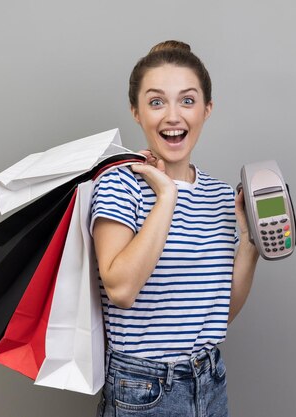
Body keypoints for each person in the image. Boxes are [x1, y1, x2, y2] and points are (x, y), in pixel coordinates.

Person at [90, 40, 260, 417]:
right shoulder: (120, 184)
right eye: (155, 101)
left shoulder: (218, 196)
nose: (172, 116)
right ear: (136, 112)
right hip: (143, 389)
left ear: (207, 109)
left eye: (187, 100)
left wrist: (248, 243)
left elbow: (217, 313)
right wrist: (166, 196)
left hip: (210, 378)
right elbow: (120, 289)